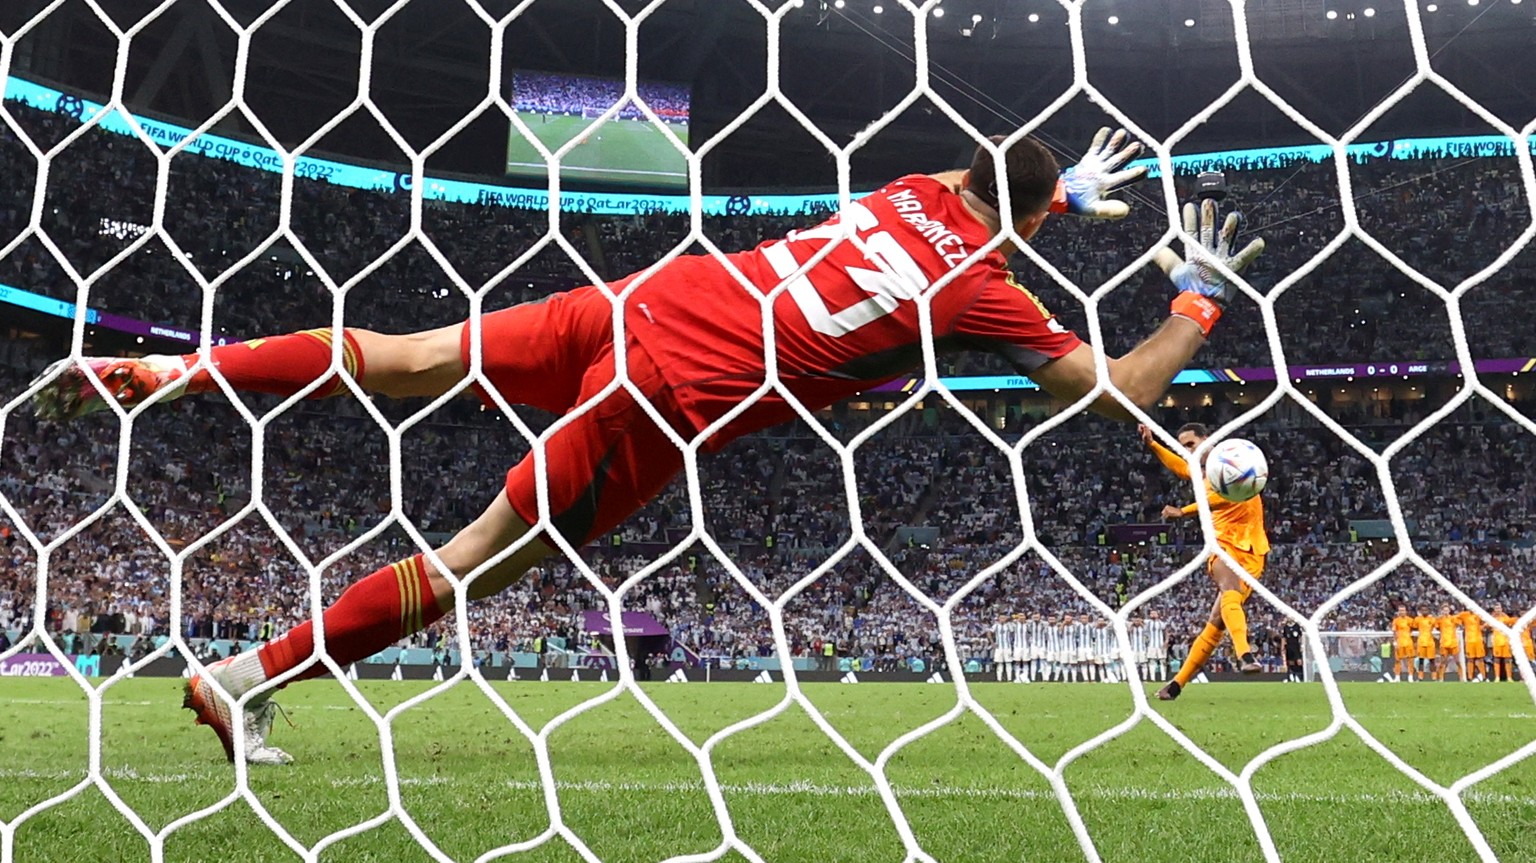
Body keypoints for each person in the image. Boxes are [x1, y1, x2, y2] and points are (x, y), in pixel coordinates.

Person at [32, 129, 1264, 763]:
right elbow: (1125, 387)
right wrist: (1197, 296)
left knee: (406, 353)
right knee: (467, 562)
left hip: (636, 300)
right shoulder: (983, 294)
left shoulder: (910, 188)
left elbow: (982, 178)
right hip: (670, 394)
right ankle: (242, 679)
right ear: (1032, 218)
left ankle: (173, 368)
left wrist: (1059, 198)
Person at [1143, 422, 1271, 701]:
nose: (1187, 451)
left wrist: (1183, 511)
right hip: (1222, 546)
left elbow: (1220, 498)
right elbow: (1181, 467)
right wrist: (1153, 445)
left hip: (1251, 549)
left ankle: (1177, 685)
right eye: (1184, 447)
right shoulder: (1202, 471)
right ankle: (1245, 655)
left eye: (1191, 445)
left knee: (1217, 620)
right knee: (1229, 592)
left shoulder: (1230, 463)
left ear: (1206, 440)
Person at [1390, 604, 1416, 682]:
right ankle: (1397, 676)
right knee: (1398, 660)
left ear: (1406, 611)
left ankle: (1410, 676)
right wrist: (1395, 641)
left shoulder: (1410, 620)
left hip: (1408, 642)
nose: (1402, 612)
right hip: (1400, 642)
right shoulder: (1396, 620)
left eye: (1403, 610)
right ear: (1398, 612)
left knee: (1410, 660)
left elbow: (1414, 628)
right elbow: (1394, 631)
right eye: (1400, 610)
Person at [1413, 605, 1438, 682]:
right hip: (1421, 642)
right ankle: (1420, 677)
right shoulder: (1417, 619)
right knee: (1421, 660)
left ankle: (1434, 678)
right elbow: (1413, 627)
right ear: (1420, 611)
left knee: (1432, 660)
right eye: (1423, 610)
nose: (1424, 612)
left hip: (1430, 642)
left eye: (1426, 610)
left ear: (1428, 611)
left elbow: (1437, 627)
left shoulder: (1432, 619)